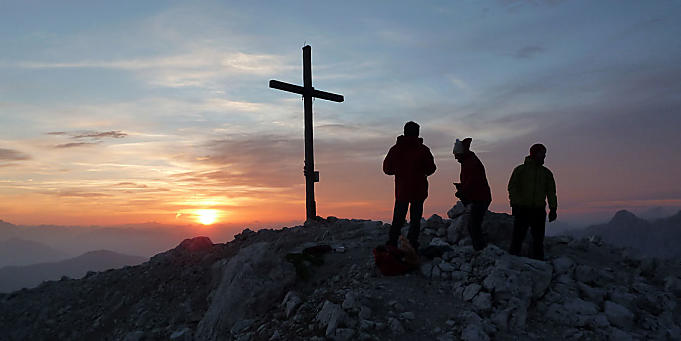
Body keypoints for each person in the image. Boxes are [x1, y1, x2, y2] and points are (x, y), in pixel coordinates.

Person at [383, 121, 437, 250]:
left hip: (402, 191)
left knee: (398, 219)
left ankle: (392, 243)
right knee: (415, 220)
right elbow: (431, 169)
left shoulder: (396, 149)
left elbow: (387, 169)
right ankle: (412, 244)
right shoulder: (423, 150)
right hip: (419, 190)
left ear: (404, 132)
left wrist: (399, 171)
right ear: (417, 133)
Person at [508, 143, 558, 260]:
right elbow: (512, 187)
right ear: (534, 154)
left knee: (538, 239)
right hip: (522, 209)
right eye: (542, 154)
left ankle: (538, 262)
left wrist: (553, 208)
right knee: (518, 237)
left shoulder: (546, 173)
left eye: (544, 155)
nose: (544, 157)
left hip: (539, 210)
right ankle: (512, 261)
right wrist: (515, 204)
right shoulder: (520, 170)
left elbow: (551, 192)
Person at [453, 137, 492, 251]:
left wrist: (462, 190)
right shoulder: (468, 161)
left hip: (480, 198)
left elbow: (473, 182)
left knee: (474, 226)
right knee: (474, 225)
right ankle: (480, 248)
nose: (455, 157)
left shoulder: (471, 163)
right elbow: (471, 181)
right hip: (479, 197)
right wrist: (462, 187)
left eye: (456, 155)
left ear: (461, 153)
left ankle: (480, 249)